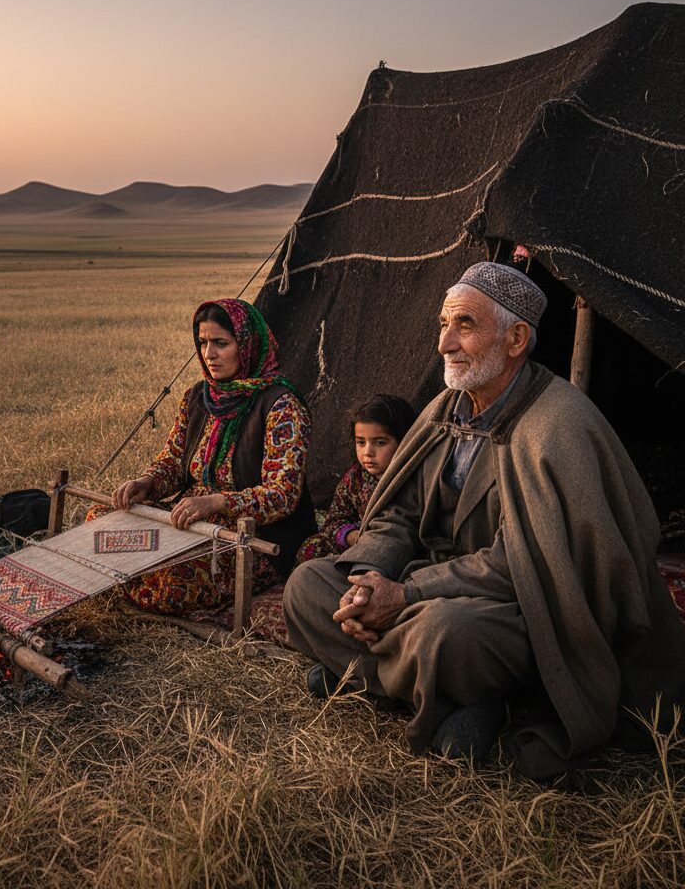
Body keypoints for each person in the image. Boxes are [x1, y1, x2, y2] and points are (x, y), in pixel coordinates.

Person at [283, 262, 685, 779]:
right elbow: (400, 514)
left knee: (446, 633)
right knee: (306, 586)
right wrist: (368, 579)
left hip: (521, 607)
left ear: (516, 338)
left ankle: (374, 675)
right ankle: (455, 700)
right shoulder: (445, 411)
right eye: (442, 324)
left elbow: (527, 562)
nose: (444, 344)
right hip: (420, 585)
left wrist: (405, 596)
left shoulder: (558, 425)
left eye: (464, 326)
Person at [109, 297, 316, 615]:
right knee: (103, 520)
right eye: (203, 342)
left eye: (221, 343)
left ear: (246, 345)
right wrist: (147, 483)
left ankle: (128, 576)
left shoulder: (281, 406)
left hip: (250, 540)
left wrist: (218, 502)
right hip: (189, 520)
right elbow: (174, 462)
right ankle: (130, 573)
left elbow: (282, 496)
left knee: (171, 581)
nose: (209, 354)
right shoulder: (197, 397)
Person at [296, 394, 416, 564]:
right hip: (358, 544)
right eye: (361, 442)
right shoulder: (356, 478)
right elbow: (335, 520)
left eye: (380, 443)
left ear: (405, 441)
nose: (368, 452)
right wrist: (353, 537)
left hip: (395, 552)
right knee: (312, 547)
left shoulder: (414, 479)